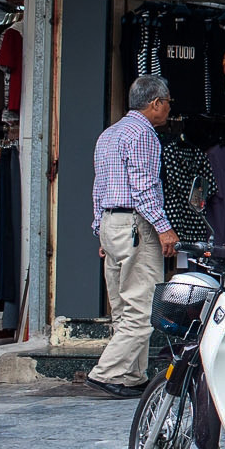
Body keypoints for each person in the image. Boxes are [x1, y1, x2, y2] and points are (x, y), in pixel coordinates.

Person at [77, 76, 177, 399]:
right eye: (168, 102)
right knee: (143, 308)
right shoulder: (143, 134)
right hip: (136, 224)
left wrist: (101, 230)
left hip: (111, 223)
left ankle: (132, 375)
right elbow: (144, 187)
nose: (169, 108)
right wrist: (163, 227)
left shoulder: (109, 134)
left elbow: (98, 187)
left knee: (123, 309)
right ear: (156, 103)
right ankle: (106, 373)